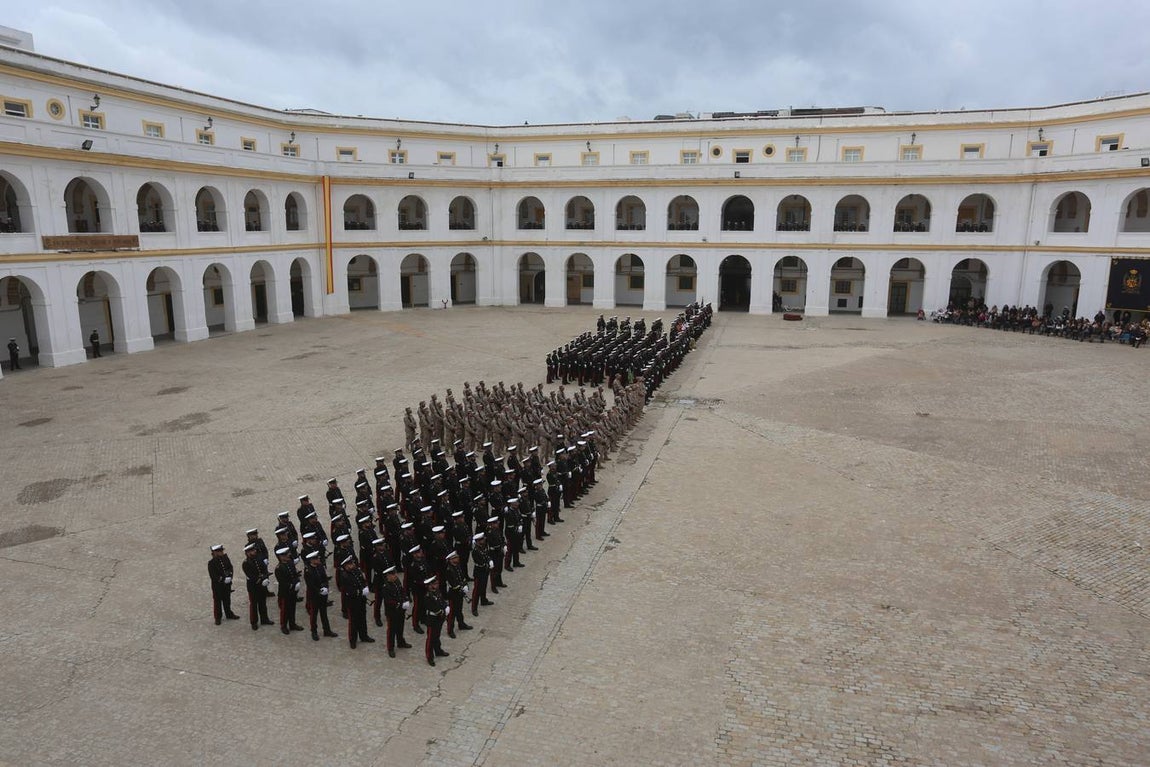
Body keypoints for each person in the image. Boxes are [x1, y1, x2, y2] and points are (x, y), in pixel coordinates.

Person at [339, 555, 374, 648]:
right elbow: (349, 591)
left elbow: (362, 580)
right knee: (353, 621)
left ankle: (364, 636)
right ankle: (352, 640)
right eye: (351, 564)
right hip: (352, 601)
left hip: (361, 599)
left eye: (353, 563)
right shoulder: (344, 576)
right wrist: (361, 591)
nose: (353, 564)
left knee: (362, 618)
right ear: (346, 566)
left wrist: (365, 586)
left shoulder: (357, 571)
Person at [303, 550, 338, 641]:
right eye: (316, 558)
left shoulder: (320, 566)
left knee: (324, 613)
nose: (318, 559)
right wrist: (319, 591)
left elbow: (325, 578)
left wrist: (326, 587)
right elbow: (310, 585)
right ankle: (313, 631)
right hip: (314, 595)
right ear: (311, 560)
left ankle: (327, 630)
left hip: (323, 594)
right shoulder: (308, 570)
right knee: (314, 614)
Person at [379, 565, 413, 657]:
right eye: (393, 574)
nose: (395, 576)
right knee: (391, 630)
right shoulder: (386, 586)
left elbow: (402, 591)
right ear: (388, 576)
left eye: (395, 574)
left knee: (400, 627)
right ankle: (390, 648)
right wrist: (400, 603)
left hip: (400, 610)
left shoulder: (397, 581)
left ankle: (401, 642)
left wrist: (406, 599)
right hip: (392, 612)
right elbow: (389, 601)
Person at [241, 542, 275, 630]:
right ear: (247, 553)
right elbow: (251, 576)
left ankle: (264, 619)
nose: (255, 551)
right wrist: (261, 579)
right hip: (253, 587)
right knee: (254, 605)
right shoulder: (246, 563)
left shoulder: (258, 558)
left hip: (262, 585)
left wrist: (265, 577)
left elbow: (264, 569)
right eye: (252, 550)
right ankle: (254, 622)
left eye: (254, 549)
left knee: (262, 603)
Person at [274, 546, 304, 635]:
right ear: (281, 557)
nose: (288, 555)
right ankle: (283, 626)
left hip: (293, 591)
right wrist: (293, 585)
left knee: (292, 608)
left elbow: (295, 574)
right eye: (286, 555)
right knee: (285, 610)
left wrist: (297, 582)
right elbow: (282, 582)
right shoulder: (279, 568)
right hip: (285, 593)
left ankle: (292, 624)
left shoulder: (290, 562)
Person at [207, 544, 240, 625]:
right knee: (217, 601)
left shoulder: (225, 558)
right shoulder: (211, 563)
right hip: (218, 586)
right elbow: (213, 576)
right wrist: (222, 579)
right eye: (219, 551)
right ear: (215, 553)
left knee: (227, 600)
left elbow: (230, 567)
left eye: (221, 551)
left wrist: (230, 576)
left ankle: (229, 613)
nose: (222, 552)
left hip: (227, 584)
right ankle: (217, 617)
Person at [421, 576, 450, 666]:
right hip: (432, 619)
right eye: (435, 584)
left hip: (439, 618)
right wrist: (442, 612)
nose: (437, 585)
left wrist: (446, 606)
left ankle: (438, 651)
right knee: (430, 639)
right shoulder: (427, 596)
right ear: (430, 585)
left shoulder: (437, 591)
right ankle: (429, 657)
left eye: (437, 583)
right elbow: (433, 608)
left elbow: (442, 601)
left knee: (437, 636)